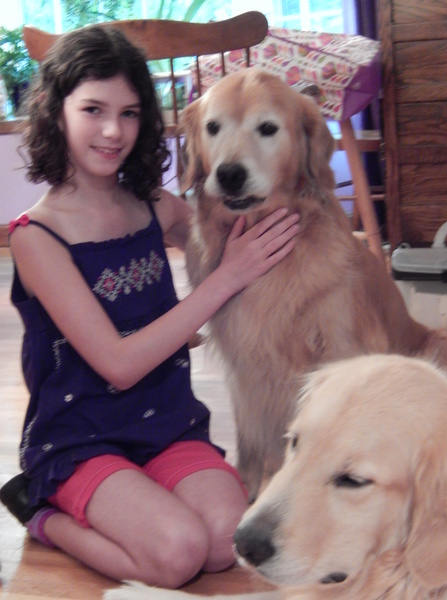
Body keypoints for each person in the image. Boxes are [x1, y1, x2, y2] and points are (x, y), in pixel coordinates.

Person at [0, 25, 299, 587]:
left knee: (225, 542)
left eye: (130, 113)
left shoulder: (153, 205)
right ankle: (42, 514)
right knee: (178, 554)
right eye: (93, 109)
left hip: (165, 425)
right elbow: (118, 364)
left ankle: (140, 495)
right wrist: (226, 280)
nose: (114, 131)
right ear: (56, 112)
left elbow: (224, 236)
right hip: (80, 439)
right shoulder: (36, 237)